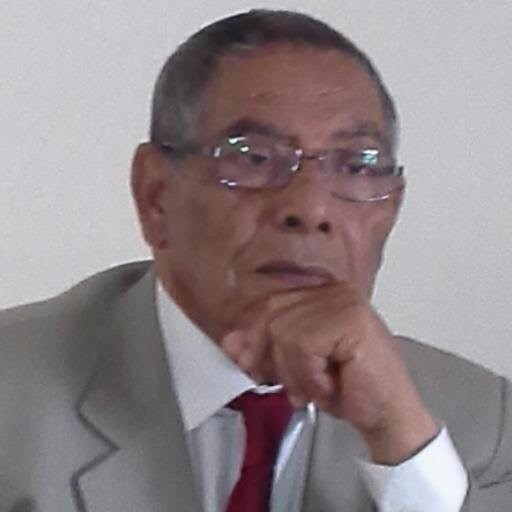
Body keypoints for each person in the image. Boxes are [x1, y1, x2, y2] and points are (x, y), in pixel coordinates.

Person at [0, 9, 510, 512]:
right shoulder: (14, 393)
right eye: (253, 158)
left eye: (356, 165)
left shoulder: (484, 425)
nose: (310, 208)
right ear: (156, 196)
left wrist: (401, 444)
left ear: (391, 209)